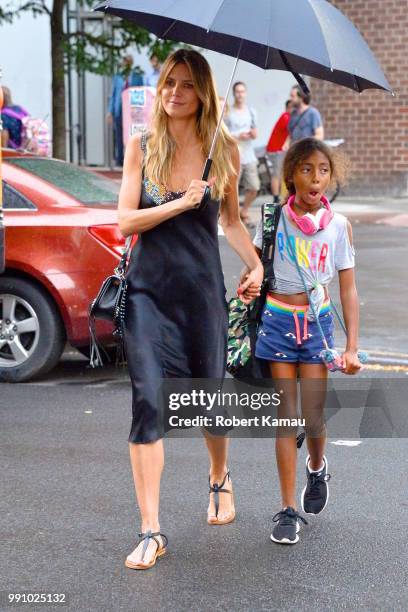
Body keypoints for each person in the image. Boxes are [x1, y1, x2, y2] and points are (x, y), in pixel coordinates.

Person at [117, 49, 263, 569]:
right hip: (148, 296)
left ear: (203, 92)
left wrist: (257, 265)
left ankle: (219, 476)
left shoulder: (223, 151)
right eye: (167, 83)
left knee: (207, 397)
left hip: (200, 294)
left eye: (185, 84)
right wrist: (179, 202)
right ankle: (151, 529)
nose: (173, 93)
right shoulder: (143, 146)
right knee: (149, 403)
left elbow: (232, 223)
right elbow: (126, 223)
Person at [251, 138, 362, 544]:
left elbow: (348, 291)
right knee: (287, 415)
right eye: (306, 170)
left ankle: (316, 467)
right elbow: (256, 269)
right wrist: (249, 280)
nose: (316, 179)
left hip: (316, 327)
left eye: (323, 170)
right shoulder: (271, 219)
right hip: (279, 321)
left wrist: (351, 346)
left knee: (313, 416)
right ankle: (286, 509)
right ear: (290, 175)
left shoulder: (338, 226)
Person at [225, 81, 260, 227]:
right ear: (234, 94)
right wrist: (240, 136)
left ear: (245, 93)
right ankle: (234, 215)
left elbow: (255, 133)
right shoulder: (228, 113)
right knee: (233, 187)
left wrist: (251, 134)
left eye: (242, 91)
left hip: (249, 154)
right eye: (237, 91)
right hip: (234, 154)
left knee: (254, 187)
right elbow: (224, 135)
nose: (240, 94)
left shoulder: (251, 111)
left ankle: (244, 211)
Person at [107, 55, 144, 167]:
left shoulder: (137, 76)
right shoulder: (118, 77)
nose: (125, 63)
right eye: (124, 61)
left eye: (128, 61)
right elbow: (113, 95)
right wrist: (110, 111)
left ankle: (132, 158)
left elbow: (141, 93)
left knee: (131, 135)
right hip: (119, 110)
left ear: (131, 63)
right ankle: (120, 159)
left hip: (132, 112)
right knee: (118, 135)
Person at [266, 99, 292, 203]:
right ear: (287, 108)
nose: (293, 109)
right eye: (291, 107)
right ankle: (276, 198)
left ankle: (280, 197)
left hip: (279, 149)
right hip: (276, 150)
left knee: (281, 173)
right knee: (277, 174)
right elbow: (292, 130)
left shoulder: (288, 117)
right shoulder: (286, 117)